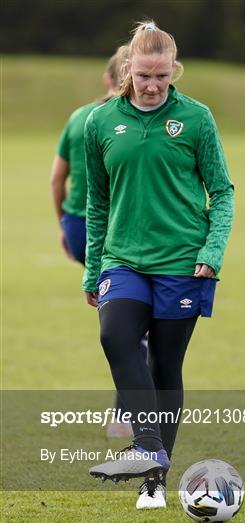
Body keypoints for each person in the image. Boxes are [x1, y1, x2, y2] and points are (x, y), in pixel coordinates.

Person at [83, 21, 234, 510]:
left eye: (162, 77)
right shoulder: (100, 123)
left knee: (165, 365)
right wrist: (92, 270)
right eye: (144, 75)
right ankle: (148, 446)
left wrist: (211, 253)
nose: (152, 85)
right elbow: (97, 202)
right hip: (123, 259)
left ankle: (154, 482)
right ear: (127, 69)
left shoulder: (196, 119)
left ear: (174, 72)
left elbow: (223, 192)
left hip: (182, 264)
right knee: (115, 337)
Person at [50, 46, 134, 438]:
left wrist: (65, 228)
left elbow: (56, 180)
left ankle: (127, 410)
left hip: (77, 226)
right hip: (114, 230)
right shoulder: (125, 121)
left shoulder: (78, 116)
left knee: (121, 315)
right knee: (135, 321)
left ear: (107, 79)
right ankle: (124, 414)